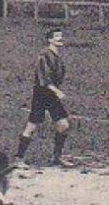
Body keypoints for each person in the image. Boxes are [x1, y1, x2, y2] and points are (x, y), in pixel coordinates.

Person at [16, 27, 72, 167]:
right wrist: (56, 91)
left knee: (63, 125)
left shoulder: (57, 56)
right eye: (57, 36)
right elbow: (43, 78)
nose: (60, 38)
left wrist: (55, 91)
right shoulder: (44, 55)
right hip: (42, 94)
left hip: (51, 95)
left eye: (61, 36)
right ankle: (19, 158)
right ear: (50, 40)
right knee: (32, 126)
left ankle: (57, 157)